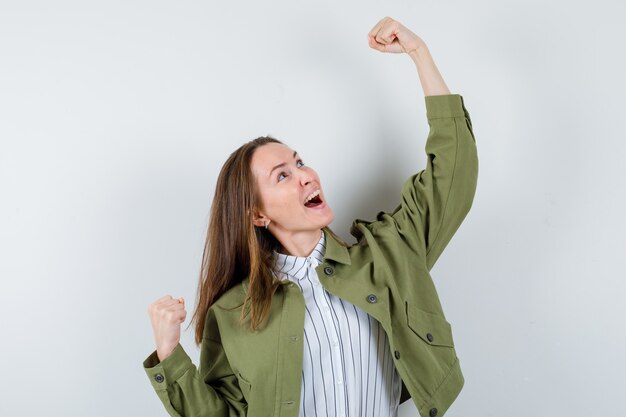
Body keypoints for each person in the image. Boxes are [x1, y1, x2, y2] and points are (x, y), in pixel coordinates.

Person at [143, 16, 478, 417]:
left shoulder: (389, 255)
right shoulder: (233, 313)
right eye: (282, 175)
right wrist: (168, 353)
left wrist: (419, 53)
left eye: (300, 162)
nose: (305, 176)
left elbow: (452, 173)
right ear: (257, 214)